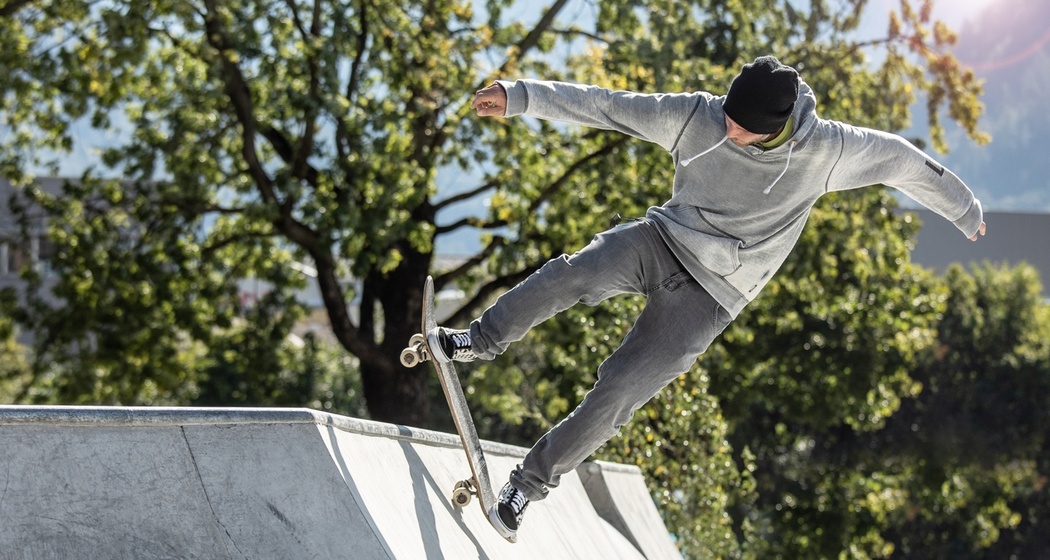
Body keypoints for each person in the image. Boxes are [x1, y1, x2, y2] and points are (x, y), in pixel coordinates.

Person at [433, 55, 987, 541]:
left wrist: (964, 210)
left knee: (621, 391)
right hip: (659, 240)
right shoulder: (697, 114)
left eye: (742, 128)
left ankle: (526, 486)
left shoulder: (827, 151)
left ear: (776, 128)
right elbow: (607, 105)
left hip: (713, 295)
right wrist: (521, 96)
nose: (728, 128)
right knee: (573, 273)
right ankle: (479, 340)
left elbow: (902, 160)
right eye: (728, 115)